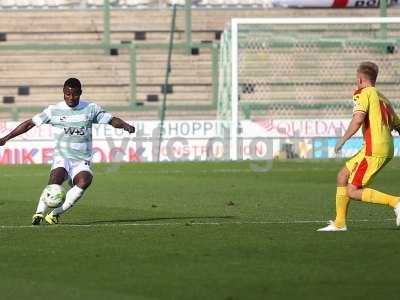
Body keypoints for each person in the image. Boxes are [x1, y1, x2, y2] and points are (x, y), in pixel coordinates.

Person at [0, 78, 135, 225]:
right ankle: (39, 213)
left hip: (82, 160)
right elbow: (29, 124)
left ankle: (54, 214)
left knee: (85, 181)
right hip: (62, 157)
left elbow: (111, 120)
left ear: (80, 93)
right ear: (63, 93)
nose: (71, 98)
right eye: (67, 94)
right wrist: (6, 138)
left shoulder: (90, 108)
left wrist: (124, 125)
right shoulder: (54, 110)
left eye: (75, 94)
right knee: (55, 180)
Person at [318, 61, 400, 231]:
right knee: (342, 176)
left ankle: (396, 202)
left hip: (374, 149)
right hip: (380, 147)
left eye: (357, 80)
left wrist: (342, 140)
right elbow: (398, 125)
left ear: (361, 79)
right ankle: (339, 223)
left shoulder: (362, 92)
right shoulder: (383, 98)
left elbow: (358, 119)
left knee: (352, 191)